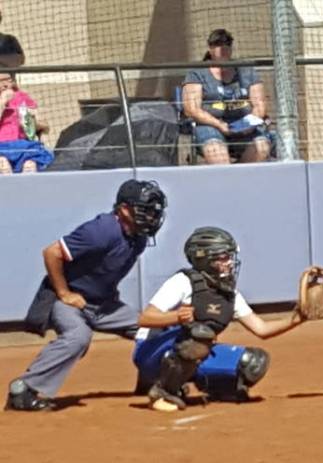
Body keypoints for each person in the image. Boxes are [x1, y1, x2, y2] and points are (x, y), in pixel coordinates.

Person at [5, 180, 167, 412]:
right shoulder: (102, 231)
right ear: (123, 210)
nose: (151, 217)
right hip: (69, 301)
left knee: (154, 329)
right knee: (78, 337)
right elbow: (52, 252)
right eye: (145, 210)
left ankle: (152, 381)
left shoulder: (138, 238)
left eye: (154, 211)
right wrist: (64, 292)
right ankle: (23, 390)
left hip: (104, 305)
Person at [131, 227, 308, 412]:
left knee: (253, 362)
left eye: (230, 257)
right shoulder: (183, 282)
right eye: (224, 258)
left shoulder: (229, 294)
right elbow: (145, 318)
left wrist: (298, 319)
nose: (230, 263)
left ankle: (214, 388)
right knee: (200, 335)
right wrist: (176, 317)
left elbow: (262, 329)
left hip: (193, 351)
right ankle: (161, 392)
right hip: (151, 351)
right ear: (205, 259)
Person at [182, 29, 271, 164]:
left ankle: (240, 176)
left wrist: (248, 125)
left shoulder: (247, 72)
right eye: (217, 44)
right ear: (210, 48)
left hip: (244, 125)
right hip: (210, 125)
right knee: (217, 153)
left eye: (227, 43)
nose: (222, 48)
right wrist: (219, 124)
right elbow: (191, 109)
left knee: (262, 147)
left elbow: (260, 106)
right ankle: (230, 179)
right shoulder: (197, 74)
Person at [0, 72, 53, 174]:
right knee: (3, 165)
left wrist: (30, 123)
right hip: (1, 147)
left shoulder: (22, 97)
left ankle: (28, 189)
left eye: (8, 80)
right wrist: (3, 101)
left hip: (24, 146)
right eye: (1, 81)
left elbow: (46, 127)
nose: (5, 84)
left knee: (30, 165)